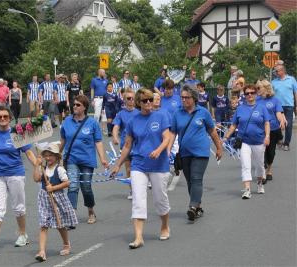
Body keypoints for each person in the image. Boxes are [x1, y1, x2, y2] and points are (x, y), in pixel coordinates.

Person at [111, 88, 172, 249]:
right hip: (138, 164)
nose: (149, 103)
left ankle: (165, 225)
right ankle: (138, 237)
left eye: (151, 100)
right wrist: (117, 165)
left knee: (160, 199)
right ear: (139, 103)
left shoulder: (161, 116)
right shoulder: (133, 121)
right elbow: (127, 146)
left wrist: (158, 150)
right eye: (145, 101)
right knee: (138, 199)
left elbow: (167, 138)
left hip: (159, 165)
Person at [0, 105, 37, 253]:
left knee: (18, 207)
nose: (2, 119)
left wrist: (39, 167)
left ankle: (23, 234)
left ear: (10, 118)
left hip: (15, 174)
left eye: (5, 116)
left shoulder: (17, 133)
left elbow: (29, 153)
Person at [169, 85, 222, 221]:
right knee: (190, 181)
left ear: (194, 98)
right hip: (185, 153)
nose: (184, 100)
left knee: (196, 178)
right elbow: (172, 132)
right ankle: (197, 207)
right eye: (182, 97)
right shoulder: (177, 113)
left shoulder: (203, 112)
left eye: (187, 97)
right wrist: (168, 150)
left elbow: (212, 131)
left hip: (201, 152)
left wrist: (219, 148)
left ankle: (192, 206)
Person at [60, 95, 108, 225]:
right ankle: (71, 215)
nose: (74, 107)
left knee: (86, 187)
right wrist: (56, 155)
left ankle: (91, 210)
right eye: (74, 104)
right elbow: (63, 140)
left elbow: (98, 142)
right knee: (73, 186)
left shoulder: (92, 123)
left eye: (78, 105)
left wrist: (103, 159)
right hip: (71, 159)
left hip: (87, 160)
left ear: (85, 107)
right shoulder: (67, 121)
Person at [33, 142, 78, 262]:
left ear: (57, 156)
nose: (48, 158)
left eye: (50, 155)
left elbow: (67, 183)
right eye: (46, 155)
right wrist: (37, 166)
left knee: (60, 224)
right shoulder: (44, 168)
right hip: (44, 198)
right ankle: (42, 251)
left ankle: (66, 244)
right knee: (43, 224)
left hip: (57, 198)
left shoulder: (60, 169)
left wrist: (53, 188)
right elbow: (36, 179)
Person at [223, 84, 270, 199]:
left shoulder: (262, 107)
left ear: (256, 94)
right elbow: (234, 125)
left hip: (259, 141)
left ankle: (259, 183)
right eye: (247, 93)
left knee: (259, 166)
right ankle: (247, 189)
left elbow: (267, 123)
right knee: (245, 165)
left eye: (252, 93)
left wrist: (267, 136)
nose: (249, 95)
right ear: (244, 95)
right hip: (244, 141)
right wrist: (225, 137)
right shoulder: (240, 109)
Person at [256, 80, 285, 182]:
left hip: (273, 129)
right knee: (261, 150)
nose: (257, 90)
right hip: (260, 129)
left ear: (266, 88)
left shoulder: (275, 100)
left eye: (259, 88)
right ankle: (263, 171)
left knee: (271, 152)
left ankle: (269, 170)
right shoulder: (256, 100)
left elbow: (278, 113)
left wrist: (281, 120)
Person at [112, 89, 139, 200]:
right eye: (129, 98)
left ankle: (140, 188)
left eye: (133, 98)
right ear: (124, 100)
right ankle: (132, 190)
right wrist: (115, 137)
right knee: (128, 170)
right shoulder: (121, 114)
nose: (131, 100)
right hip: (126, 146)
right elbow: (116, 127)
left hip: (138, 146)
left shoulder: (139, 112)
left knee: (138, 169)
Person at [271, 65, 297, 151]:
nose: (276, 73)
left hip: (289, 105)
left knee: (288, 125)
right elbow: (271, 95)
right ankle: (279, 139)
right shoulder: (273, 82)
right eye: (275, 71)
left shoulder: (291, 80)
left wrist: (296, 105)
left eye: (277, 71)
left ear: (283, 71)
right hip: (277, 106)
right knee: (277, 124)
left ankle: (286, 143)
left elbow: (295, 93)